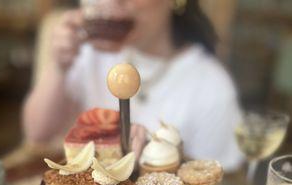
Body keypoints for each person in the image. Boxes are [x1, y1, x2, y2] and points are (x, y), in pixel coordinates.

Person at [23, 0, 243, 171]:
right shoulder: (89, 52)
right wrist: (59, 65)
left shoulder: (211, 85)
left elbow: (217, 184)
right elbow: (38, 133)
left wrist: (159, 155)